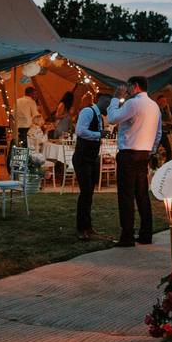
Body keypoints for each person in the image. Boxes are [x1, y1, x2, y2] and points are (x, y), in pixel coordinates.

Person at [107, 75, 162, 247]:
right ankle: (146, 234)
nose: (128, 89)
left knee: (126, 196)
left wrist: (116, 98)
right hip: (144, 154)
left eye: (129, 86)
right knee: (142, 195)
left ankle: (127, 236)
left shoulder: (133, 103)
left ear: (136, 86)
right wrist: (150, 150)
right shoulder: (155, 106)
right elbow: (159, 132)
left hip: (129, 154)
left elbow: (112, 118)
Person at [73, 91, 103, 240]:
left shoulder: (99, 116)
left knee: (89, 194)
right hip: (82, 158)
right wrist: (99, 135)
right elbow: (80, 131)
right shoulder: (87, 111)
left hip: (92, 158)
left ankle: (88, 227)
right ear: (99, 99)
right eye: (109, 100)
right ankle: (81, 228)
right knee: (85, 193)